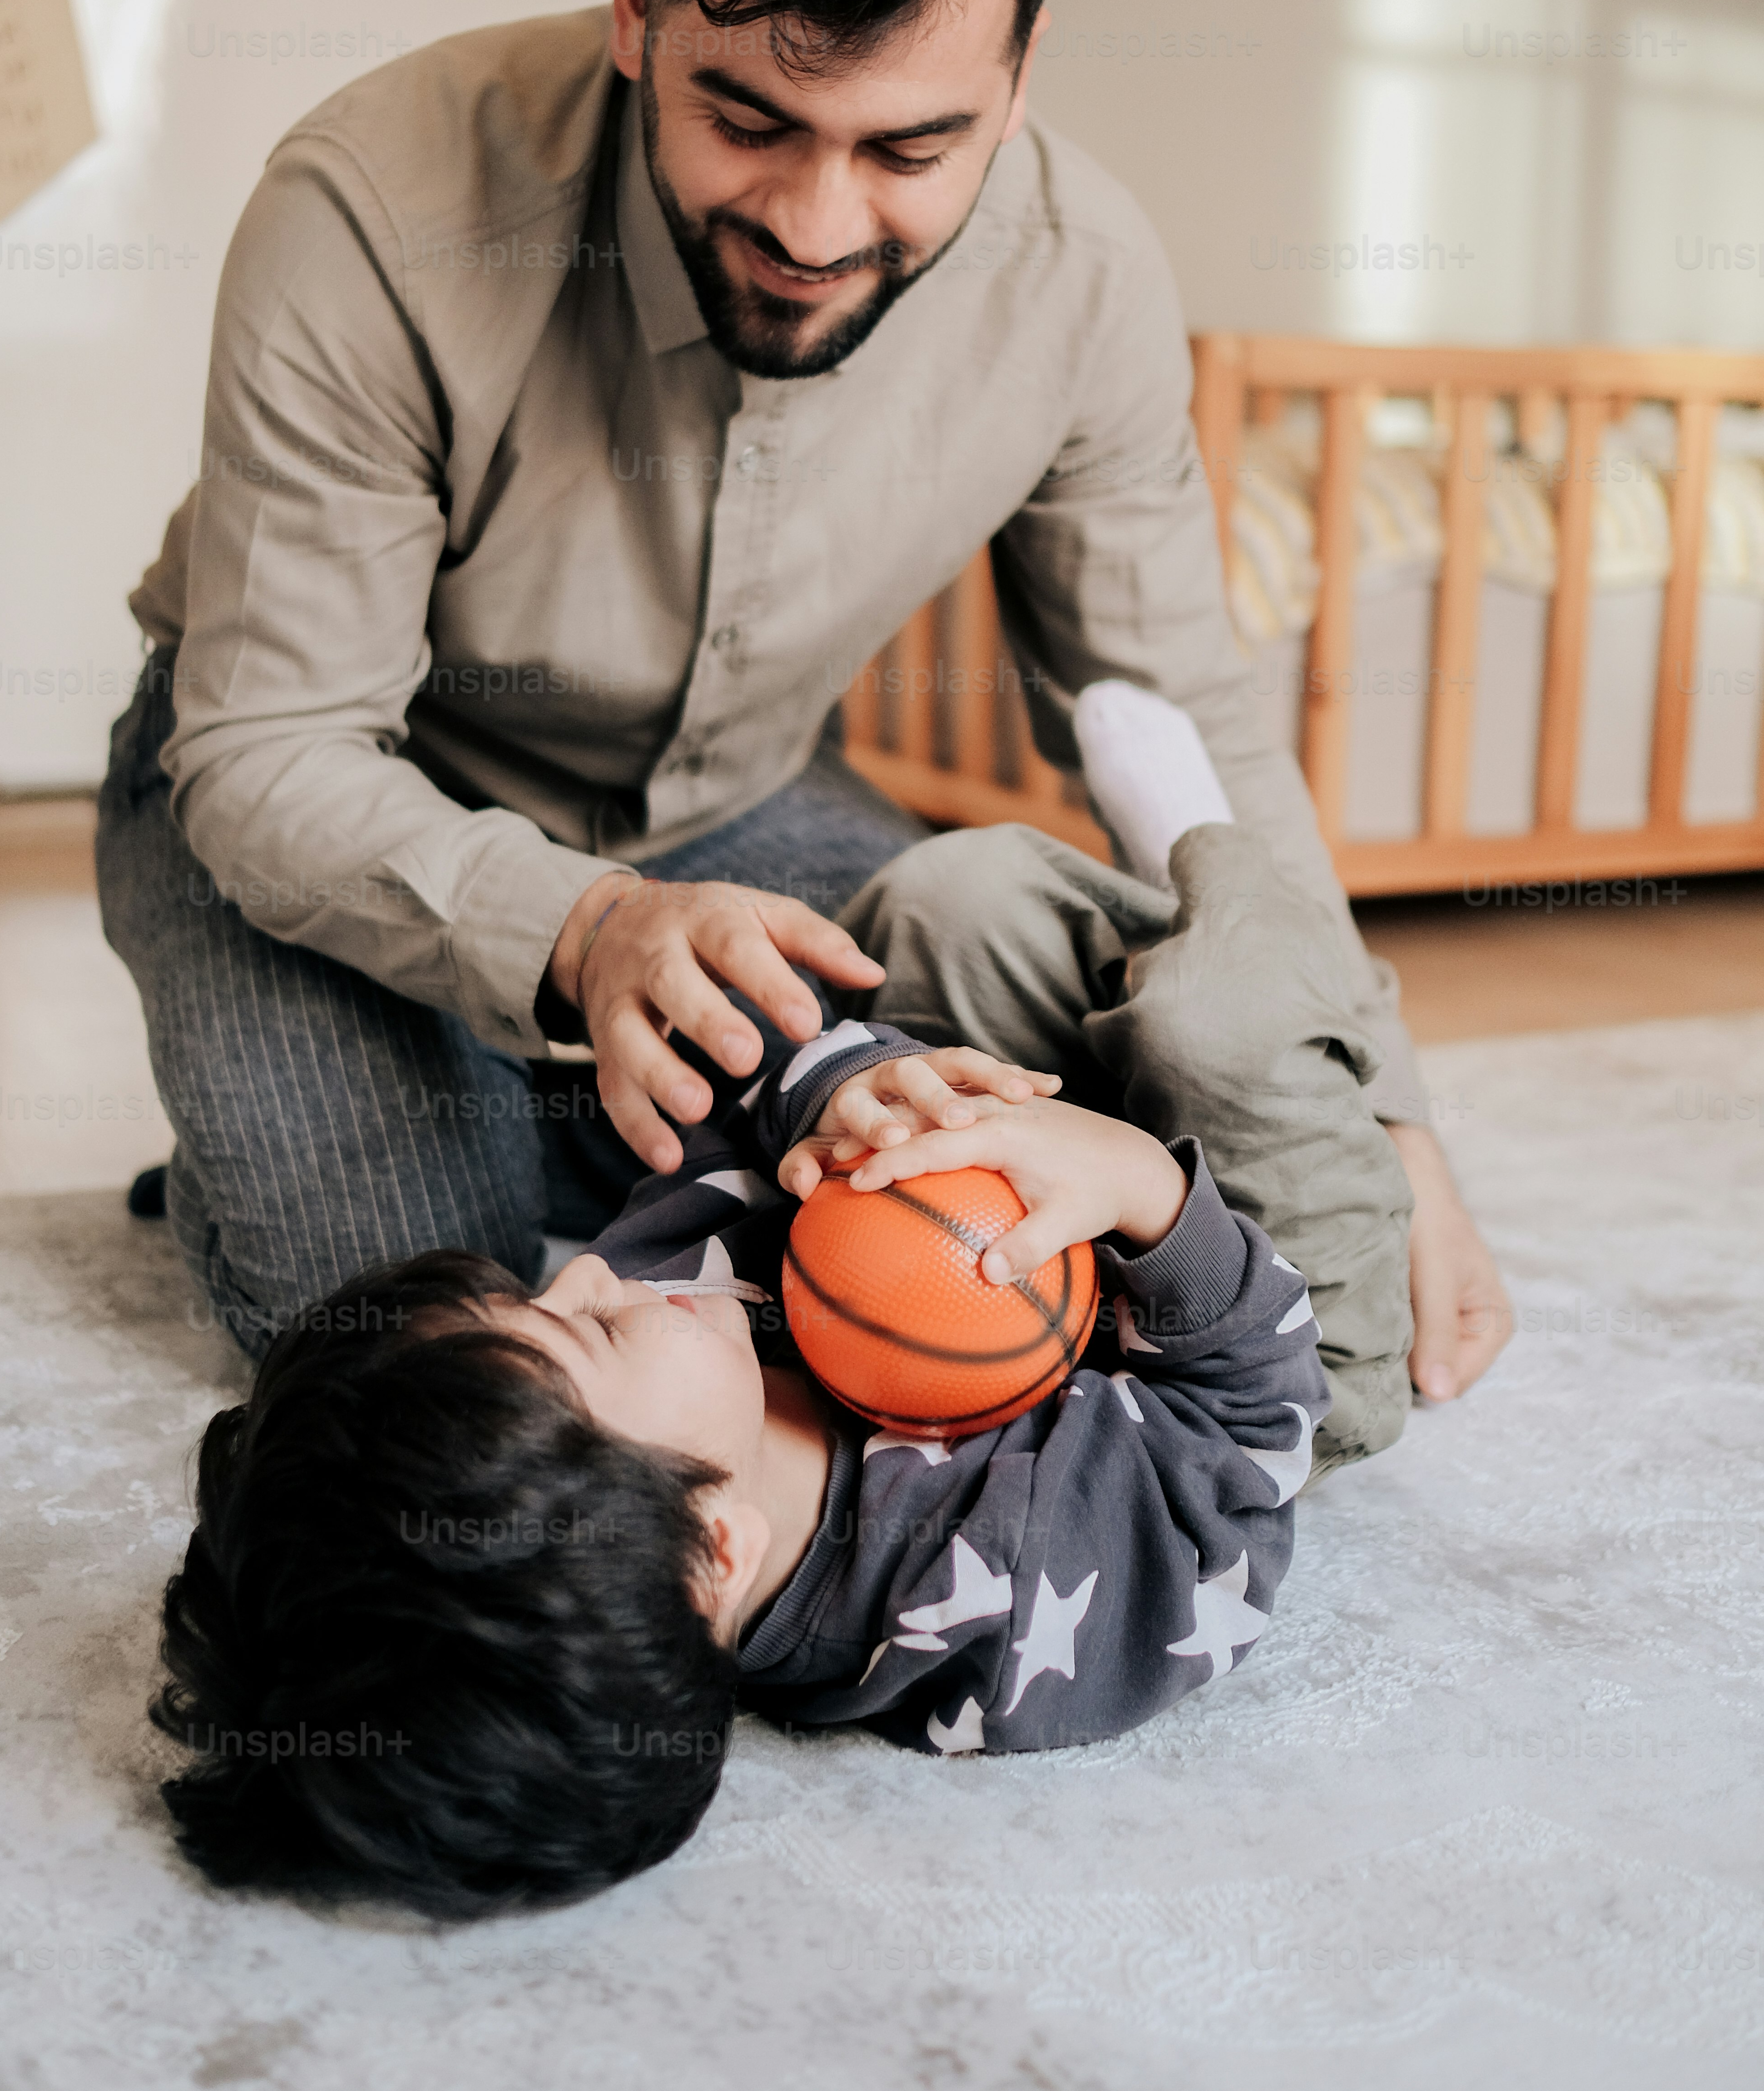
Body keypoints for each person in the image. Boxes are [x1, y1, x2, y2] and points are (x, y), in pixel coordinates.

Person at [98, 0, 1507, 1407]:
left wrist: (1380, 1106)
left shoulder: (1086, 274)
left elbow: (1181, 718)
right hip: (317, 790)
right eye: (750, 120)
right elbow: (270, 751)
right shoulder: (373, 209)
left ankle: (537, 1100)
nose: (819, 225)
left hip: (730, 805)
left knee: (1003, 1127)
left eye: (915, 144)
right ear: (636, 11)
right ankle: (396, 1113)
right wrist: (588, 931)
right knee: (436, 1327)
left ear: (1019, 68)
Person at [152, 763, 1390, 1918]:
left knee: (946, 902)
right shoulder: (999, 1614)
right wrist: (1140, 1193)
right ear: (713, 1547)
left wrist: (837, 1097)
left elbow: (747, 1099)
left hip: (1010, 1174)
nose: (582, 1274)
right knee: (1212, 1023)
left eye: (540, 1297)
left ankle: (1132, 946)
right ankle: (1220, 841)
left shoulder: (665, 1302)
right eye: (587, 1335)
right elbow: (1244, 1438)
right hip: (1260, 1325)